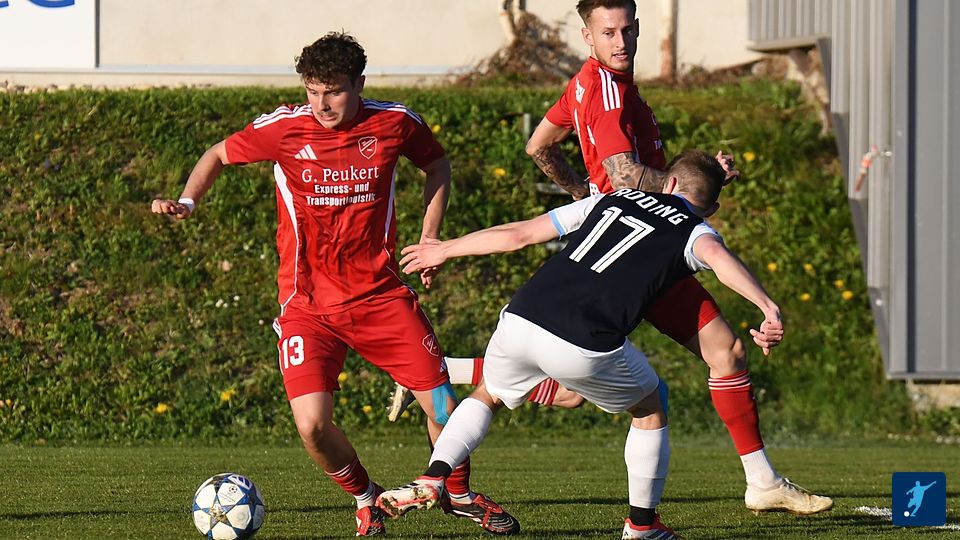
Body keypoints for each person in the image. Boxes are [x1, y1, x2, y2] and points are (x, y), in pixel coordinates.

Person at [398, 0, 830, 515]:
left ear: (637, 28)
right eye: (608, 33)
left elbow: (539, 146)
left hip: (606, 231)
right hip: (642, 243)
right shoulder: (607, 92)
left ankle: (441, 373)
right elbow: (627, 177)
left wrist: (584, 194)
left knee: (572, 383)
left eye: (626, 30)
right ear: (587, 35)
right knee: (715, 359)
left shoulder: (586, 84)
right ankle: (734, 491)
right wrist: (692, 186)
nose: (620, 42)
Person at [151, 32, 519, 537]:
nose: (322, 104)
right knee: (312, 425)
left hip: (380, 297)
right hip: (307, 306)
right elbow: (217, 153)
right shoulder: (285, 128)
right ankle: (366, 498)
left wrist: (430, 237)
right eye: (313, 91)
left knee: (442, 406)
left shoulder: (395, 123)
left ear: (359, 84)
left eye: (334, 91)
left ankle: (457, 494)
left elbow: (437, 164)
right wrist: (188, 201)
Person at [376, 150, 782, 539]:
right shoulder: (695, 230)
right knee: (651, 404)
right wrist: (767, 307)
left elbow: (519, 235)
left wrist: (445, 249)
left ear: (670, 183)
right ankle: (642, 526)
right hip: (584, 339)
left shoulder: (614, 198)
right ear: (711, 208)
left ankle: (434, 475)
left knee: (489, 395)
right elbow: (717, 257)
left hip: (521, 317)